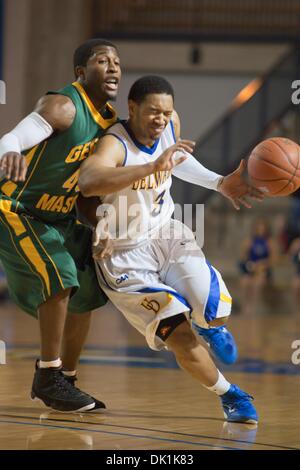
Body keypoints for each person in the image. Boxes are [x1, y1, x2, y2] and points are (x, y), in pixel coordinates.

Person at [78, 75, 260, 423]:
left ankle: (211, 325)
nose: (161, 119)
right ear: (132, 108)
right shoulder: (115, 144)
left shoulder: (169, 125)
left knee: (212, 310)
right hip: (124, 255)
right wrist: (149, 167)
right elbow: (88, 182)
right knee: (178, 334)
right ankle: (230, 395)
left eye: (167, 111)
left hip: (165, 234)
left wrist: (219, 182)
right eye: (153, 112)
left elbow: (177, 159)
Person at [0, 38, 121, 412]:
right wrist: (9, 150)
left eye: (117, 61)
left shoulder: (110, 125)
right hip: (17, 207)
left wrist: (103, 220)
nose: (114, 67)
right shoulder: (64, 106)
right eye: (103, 61)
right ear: (81, 72)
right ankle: (47, 375)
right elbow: (15, 136)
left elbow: (85, 191)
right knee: (61, 271)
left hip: (60, 215)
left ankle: (66, 379)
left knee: (89, 284)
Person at [239, 218, 276, 312]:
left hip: (264, 270)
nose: (261, 230)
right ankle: (246, 305)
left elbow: (273, 259)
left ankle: (256, 306)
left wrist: (263, 264)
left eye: (262, 228)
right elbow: (243, 257)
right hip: (251, 268)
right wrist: (250, 264)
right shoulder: (249, 241)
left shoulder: (270, 242)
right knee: (245, 281)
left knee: (258, 282)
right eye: (259, 228)